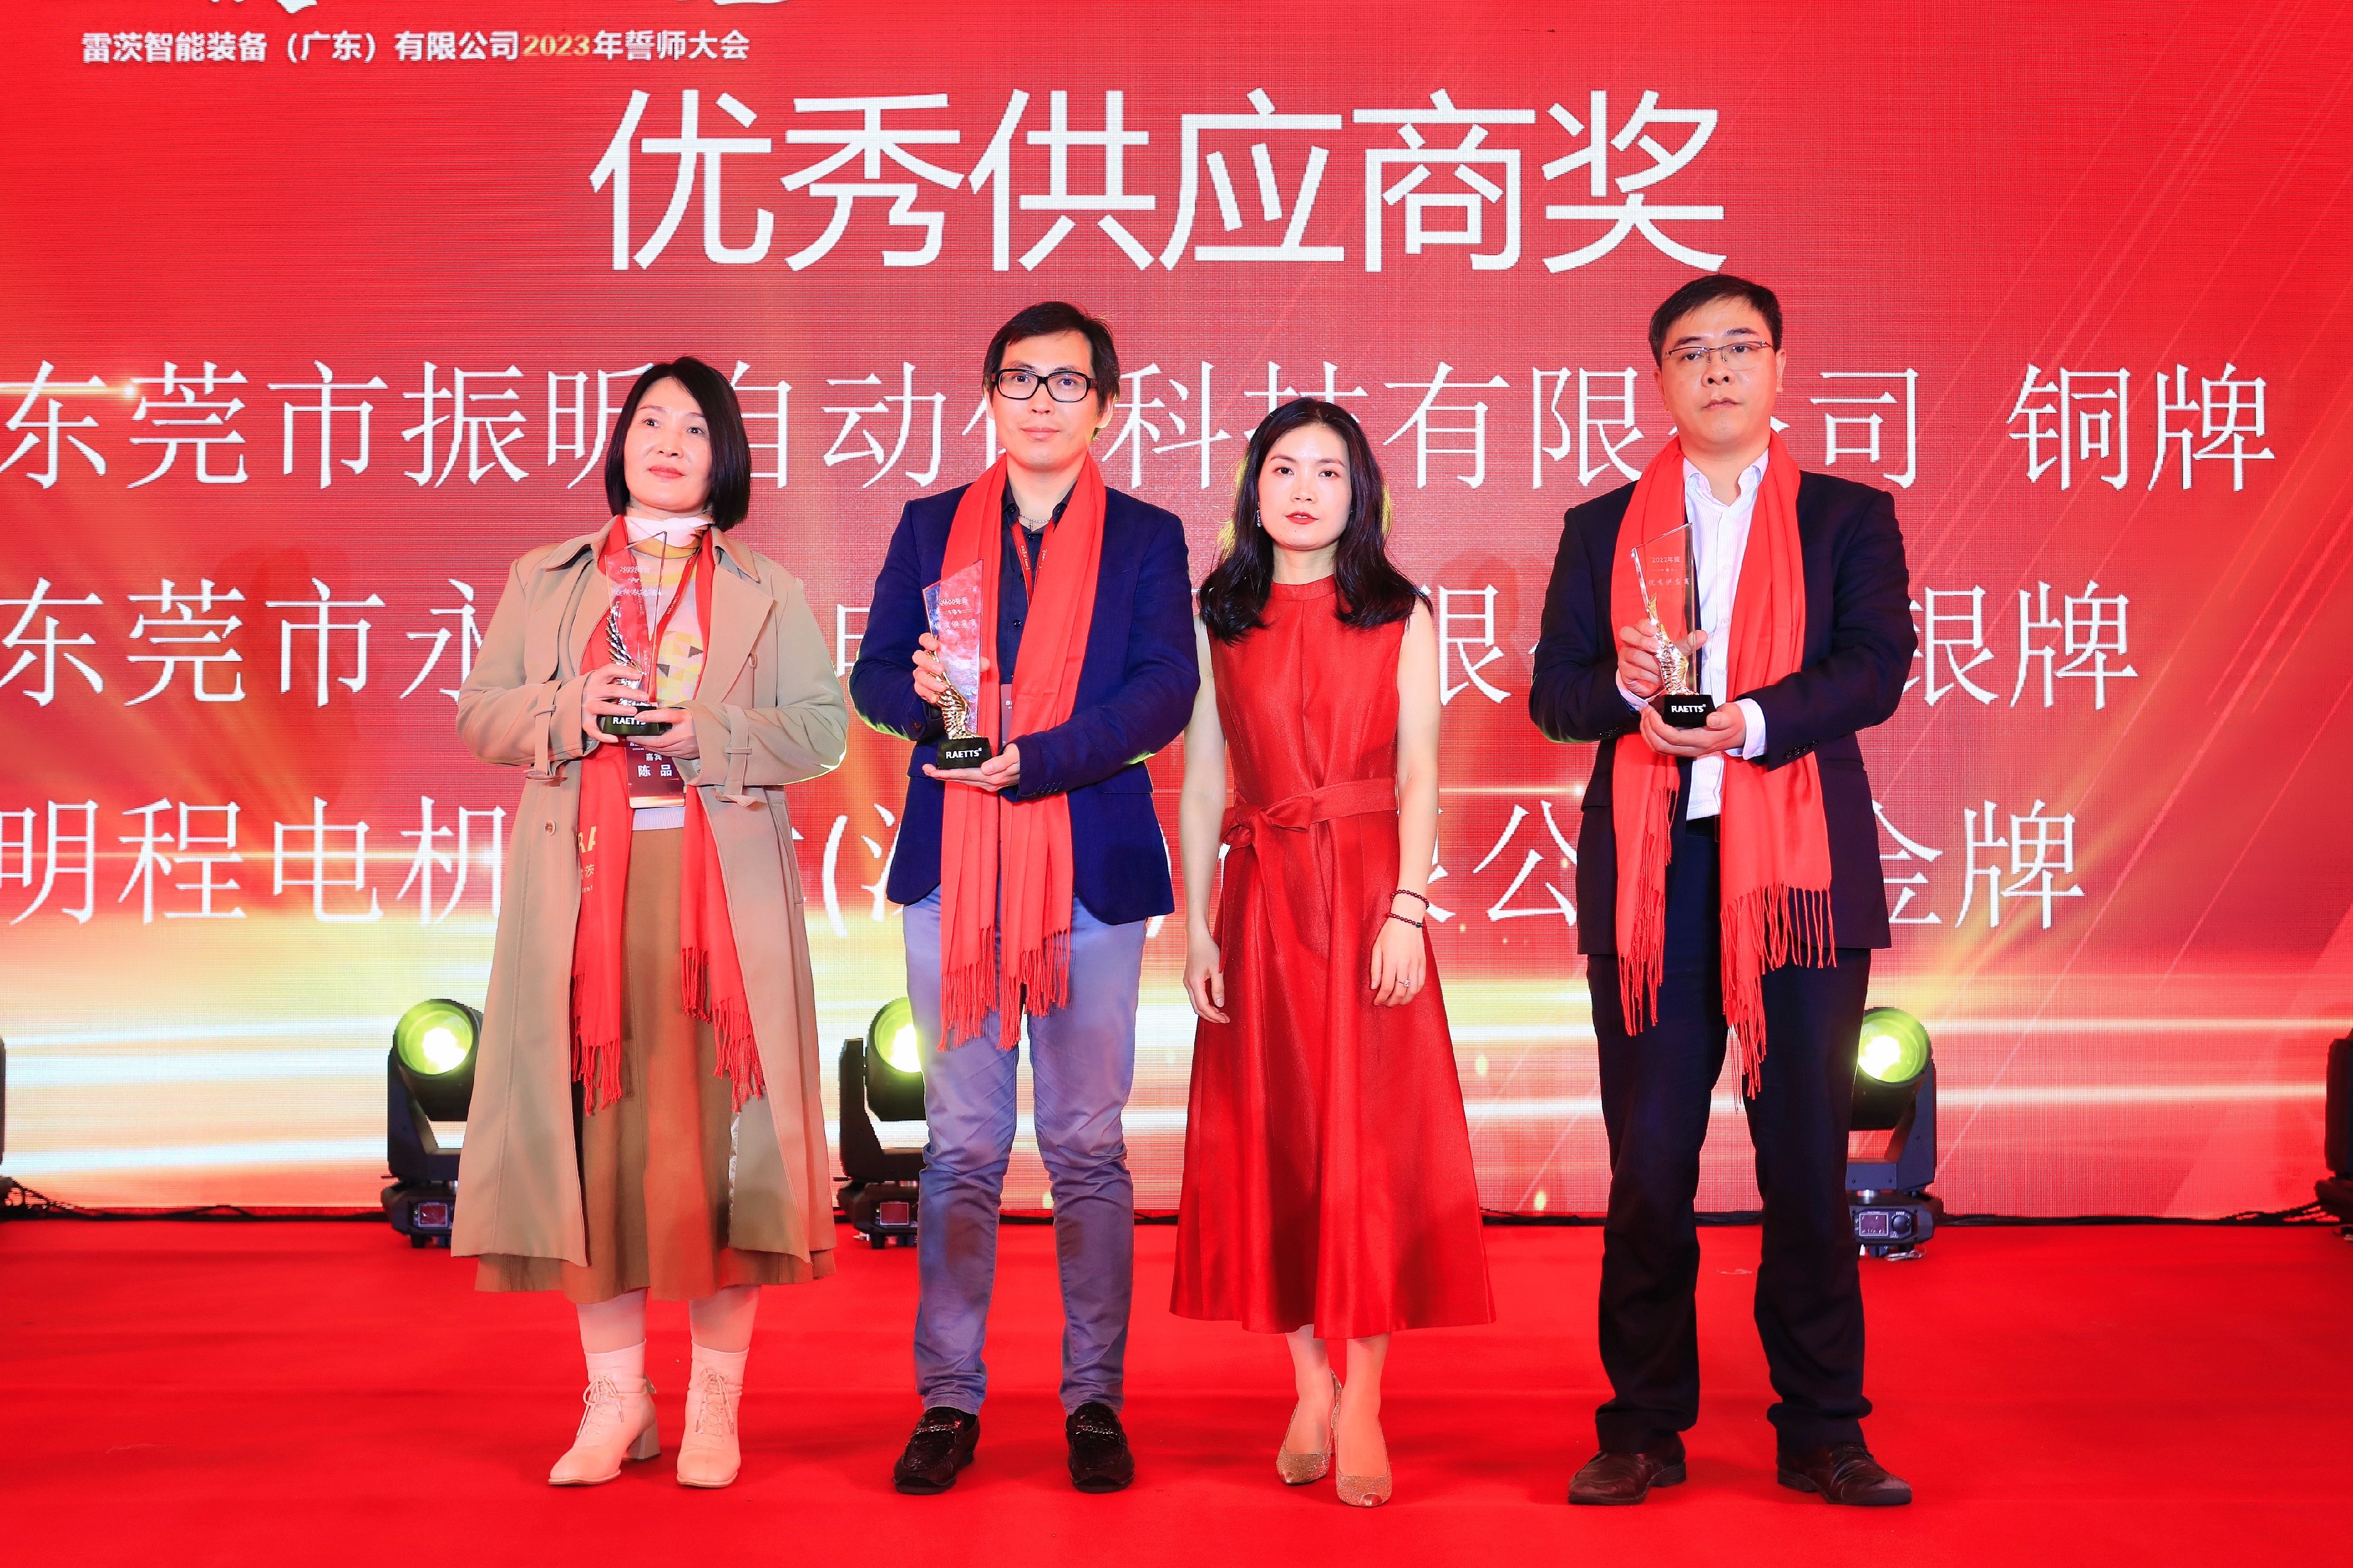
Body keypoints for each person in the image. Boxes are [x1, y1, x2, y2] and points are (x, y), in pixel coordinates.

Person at [1530, 276, 1917, 1506]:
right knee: (1649, 1165)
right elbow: (1554, 695)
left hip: (1795, 881)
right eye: (1690, 352)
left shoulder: (1847, 516)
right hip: (1653, 883)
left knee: (1804, 1160)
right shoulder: (1602, 528)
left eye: (1739, 347)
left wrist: (1745, 720)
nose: (1716, 370)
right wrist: (1626, 693)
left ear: (1777, 368)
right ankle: (1643, 1424)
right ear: (1658, 379)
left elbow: (1875, 667)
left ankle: (1822, 1427)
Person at [451, 356, 848, 1490]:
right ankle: (616, 1397)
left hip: (721, 899)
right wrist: (571, 706)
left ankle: (716, 1402)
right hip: (584, 894)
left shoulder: (766, 586)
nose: (668, 442)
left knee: (724, 1148)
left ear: (728, 457)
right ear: (620, 443)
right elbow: (481, 715)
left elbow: (822, 728)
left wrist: (712, 731)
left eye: (694, 427)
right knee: (600, 1147)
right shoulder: (548, 577)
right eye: (649, 423)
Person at [849, 301, 1198, 1496]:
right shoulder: (928, 525)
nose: (1040, 401)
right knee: (959, 1147)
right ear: (988, 395)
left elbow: (1165, 691)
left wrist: (1035, 758)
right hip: (957, 866)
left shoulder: (1146, 536)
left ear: (1107, 406)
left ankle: (1093, 1398)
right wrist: (924, 705)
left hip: (1090, 867)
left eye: (1066, 382)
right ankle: (948, 1399)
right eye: (1019, 379)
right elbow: (872, 677)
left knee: (1087, 1145)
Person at [1171, 399, 1492, 1509]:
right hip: (1261, 896)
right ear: (1253, 489)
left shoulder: (1400, 611)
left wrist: (1408, 906)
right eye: (1283, 469)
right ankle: (1309, 1385)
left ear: (1362, 496)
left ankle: (1365, 1396)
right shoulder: (1218, 613)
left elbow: (1421, 771)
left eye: (1329, 472)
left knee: (1367, 1145)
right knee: (1281, 1143)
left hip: (1365, 896)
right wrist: (1197, 919)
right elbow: (1203, 777)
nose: (1303, 490)